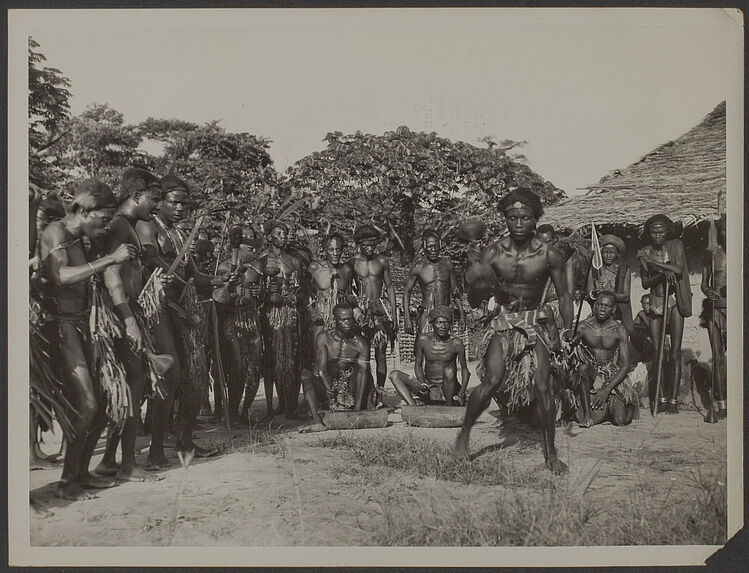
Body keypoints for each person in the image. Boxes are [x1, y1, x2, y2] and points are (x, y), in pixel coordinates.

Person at [453, 187, 572, 474]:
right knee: (492, 380)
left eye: (526, 218)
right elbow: (476, 297)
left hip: (535, 322)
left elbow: (564, 295)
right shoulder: (493, 252)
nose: (519, 224)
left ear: (535, 220)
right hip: (504, 322)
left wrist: (567, 330)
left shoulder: (549, 254)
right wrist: (475, 276)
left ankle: (550, 453)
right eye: (513, 217)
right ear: (505, 219)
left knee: (543, 388)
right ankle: (463, 437)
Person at [39, 178, 138, 499]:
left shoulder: (82, 239)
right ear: (82, 210)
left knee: (106, 403)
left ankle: (81, 473)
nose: (106, 226)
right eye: (103, 219)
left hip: (86, 328)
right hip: (61, 328)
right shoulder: (56, 232)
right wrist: (109, 259)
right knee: (86, 403)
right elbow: (59, 276)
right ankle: (67, 482)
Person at [136, 174, 228, 468]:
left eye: (184, 204)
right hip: (159, 308)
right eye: (174, 202)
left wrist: (216, 279)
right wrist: (169, 272)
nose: (180, 208)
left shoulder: (178, 233)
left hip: (183, 310)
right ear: (160, 200)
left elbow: (193, 276)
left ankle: (185, 442)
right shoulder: (147, 226)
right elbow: (150, 258)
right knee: (171, 375)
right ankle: (154, 452)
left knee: (198, 378)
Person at [93, 168, 163, 482]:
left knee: (129, 387)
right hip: (119, 314)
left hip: (125, 313)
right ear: (136, 196)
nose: (157, 206)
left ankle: (108, 460)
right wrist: (129, 320)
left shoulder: (128, 225)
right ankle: (128, 464)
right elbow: (112, 279)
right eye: (154, 199)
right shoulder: (120, 226)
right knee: (132, 385)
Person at [638, 214, 692, 414]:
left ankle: (673, 401)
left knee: (675, 352)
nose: (657, 234)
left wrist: (657, 265)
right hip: (655, 302)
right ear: (649, 233)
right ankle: (660, 398)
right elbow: (645, 283)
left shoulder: (676, 245)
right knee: (658, 351)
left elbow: (678, 270)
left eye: (661, 231)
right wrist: (662, 274)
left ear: (667, 231)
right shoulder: (643, 252)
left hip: (675, 302)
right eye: (653, 231)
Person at [257, 220, 307, 419]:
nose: (283, 237)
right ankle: (271, 405)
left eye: (285, 233)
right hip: (269, 314)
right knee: (271, 358)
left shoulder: (294, 262)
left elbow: (304, 291)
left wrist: (295, 297)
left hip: (290, 313)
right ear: (269, 237)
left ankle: (291, 405)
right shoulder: (260, 261)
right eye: (279, 233)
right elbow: (255, 289)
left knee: (292, 356)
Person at [215, 225, 264, 424]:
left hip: (252, 320)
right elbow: (219, 297)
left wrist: (260, 295)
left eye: (253, 242)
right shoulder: (225, 266)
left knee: (254, 368)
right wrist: (231, 287)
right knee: (236, 368)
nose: (251, 247)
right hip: (233, 321)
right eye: (246, 242)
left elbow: (261, 297)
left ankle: (245, 412)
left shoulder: (258, 267)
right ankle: (231, 411)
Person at [299, 303, 371, 432]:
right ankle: (317, 421)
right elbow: (322, 369)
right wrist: (329, 389)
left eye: (350, 319)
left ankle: (356, 410)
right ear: (335, 320)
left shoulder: (360, 343)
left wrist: (357, 410)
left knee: (363, 370)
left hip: (349, 387)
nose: (347, 323)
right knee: (306, 374)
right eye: (343, 320)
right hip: (329, 384)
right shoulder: (324, 338)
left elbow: (363, 374)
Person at [571, 291, 637, 427]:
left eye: (607, 306)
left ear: (613, 309)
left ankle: (626, 404)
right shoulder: (583, 326)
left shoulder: (619, 329)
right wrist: (571, 338)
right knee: (582, 368)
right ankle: (587, 416)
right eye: (599, 304)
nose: (602, 308)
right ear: (594, 306)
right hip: (591, 372)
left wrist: (606, 390)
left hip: (610, 373)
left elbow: (625, 365)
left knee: (620, 421)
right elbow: (570, 340)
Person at [348, 224, 397, 408]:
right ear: (359, 244)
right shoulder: (352, 264)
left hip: (380, 310)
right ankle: (365, 392)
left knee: (381, 354)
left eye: (373, 244)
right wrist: (356, 308)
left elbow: (390, 287)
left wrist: (393, 315)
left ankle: (379, 392)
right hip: (361, 312)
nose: (370, 248)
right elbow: (346, 290)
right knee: (363, 354)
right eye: (366, 244)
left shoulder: (382, 261)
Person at [389, 306, 470, 406]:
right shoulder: (423, 340)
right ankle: (414, 407)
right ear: (432, 324)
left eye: (446, 323)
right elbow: (418, 365)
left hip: (449, 389)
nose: (443, 326)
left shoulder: (456, 343)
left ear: (450, 324)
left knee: (448, 371)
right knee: (394, 375)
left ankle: (450, 406)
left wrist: (461, 393)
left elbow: (465, 370)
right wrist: (422, 383)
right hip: (428, 387)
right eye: (439, 322)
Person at [403, 229, 462, 336]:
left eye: (435, 246)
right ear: (424, 247)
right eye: (430, 246)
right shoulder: (418, 267)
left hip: (445, 313)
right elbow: (407, 292)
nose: (433, 250)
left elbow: (455, 292)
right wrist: (407, 318)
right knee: (424, 346)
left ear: (440, 245)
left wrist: (462, 314)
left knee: (446, 349)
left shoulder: (448, 264)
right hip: (427, 313)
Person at [700, 214, 727, 418]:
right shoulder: (712, 255)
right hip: (715, 310)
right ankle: (721, 404)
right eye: (724, 230)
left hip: (736, 311)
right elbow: (704, 283)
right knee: (717, 358)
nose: (728, 234)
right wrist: (709, 291)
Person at [308, 233, 354, 342]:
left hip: (339, 321)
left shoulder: (346, 270)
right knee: (319, 352)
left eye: (338, 250)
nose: (335, 253)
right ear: (325, 250)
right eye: (331, 250)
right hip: (321, 319)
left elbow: (348, 294)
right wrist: (311, 310)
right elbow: (305, 292)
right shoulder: (315, 268)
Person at [587, 234, 633, 334]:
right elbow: (589, 295)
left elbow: (625, 297)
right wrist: (594, 293)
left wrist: (605, 293)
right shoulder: (595, 270)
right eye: (605, 252)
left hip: (618, 314)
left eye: (612, 253)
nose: (608, 256)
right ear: (601, 253)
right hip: (598, 314)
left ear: (617, 254)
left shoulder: (624, 270)